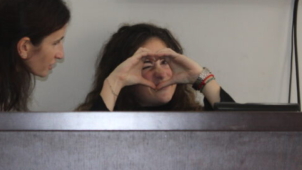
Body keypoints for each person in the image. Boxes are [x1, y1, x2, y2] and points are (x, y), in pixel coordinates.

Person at [77, 23, 234, 111]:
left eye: (165, 62)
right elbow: (89, 145)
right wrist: (115, 81)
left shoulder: (197, 120)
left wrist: (200, 77)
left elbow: (240, 132)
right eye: (147, 65)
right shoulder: (96, 116)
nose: (161, 74)